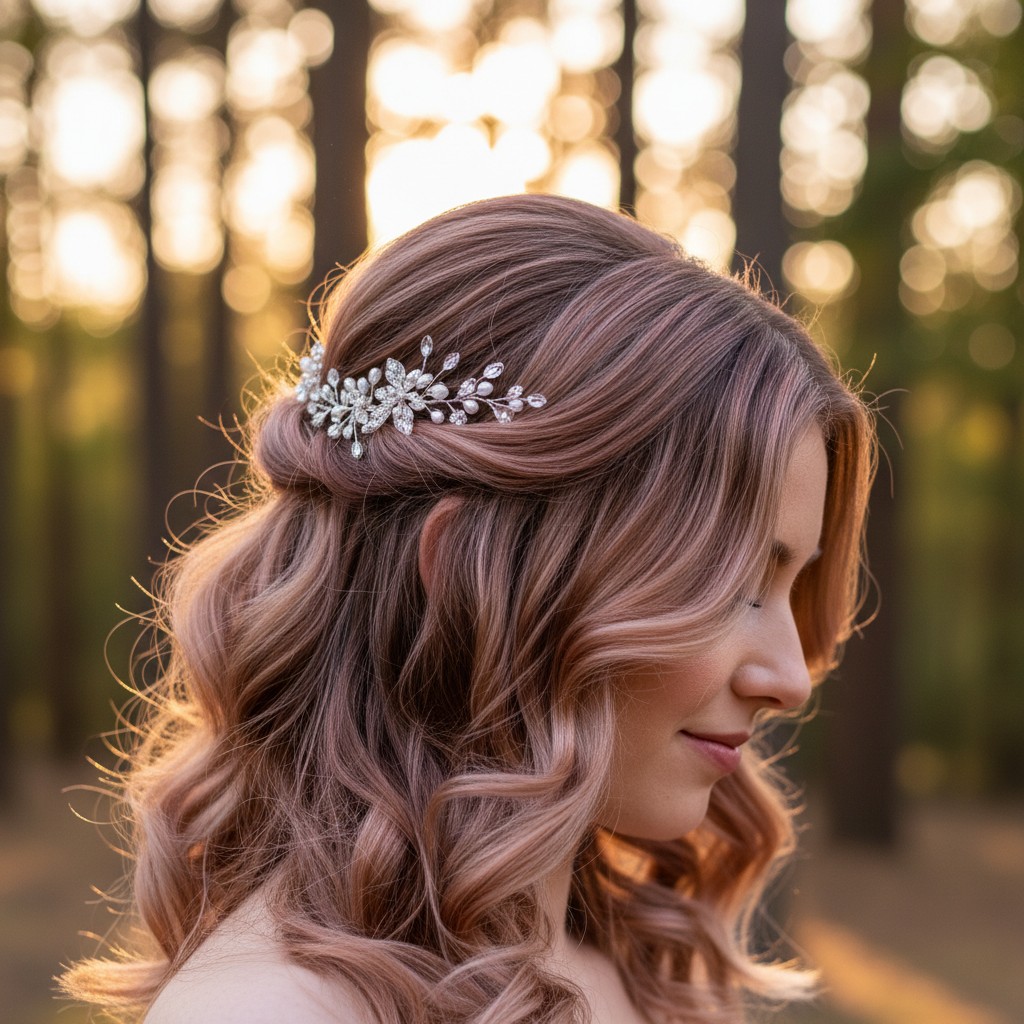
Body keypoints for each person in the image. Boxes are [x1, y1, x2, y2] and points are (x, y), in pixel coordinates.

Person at [59, 194, 874, 1024]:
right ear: (460, 576)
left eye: (789, 586)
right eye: (732, 584)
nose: (789, 678)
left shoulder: (650, 971)